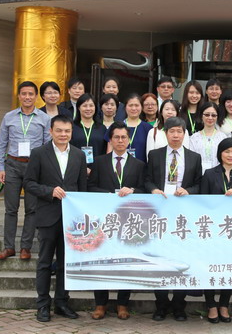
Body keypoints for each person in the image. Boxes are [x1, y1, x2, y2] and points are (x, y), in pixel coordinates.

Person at [23, 115, 88, 322]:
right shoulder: (39, 153)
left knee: (65, 263)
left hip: (70, 220)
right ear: (51, 131)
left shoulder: (78, 155)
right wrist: (49, 191)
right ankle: (43, 304)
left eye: (67, 131)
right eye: (59, 130)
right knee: (44, 262)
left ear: (71, 133)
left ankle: (61, 302)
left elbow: (82, 188)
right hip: (47, 216)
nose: (63, 134)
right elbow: (29, 183)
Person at [144, 117, 203, 322]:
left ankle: (179, 305)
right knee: (159, 258)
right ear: (166, 133)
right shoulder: (155, 155)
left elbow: (199, 184)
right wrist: (153, 189)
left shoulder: (194, 157)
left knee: (182, 258)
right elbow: (147, 179)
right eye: (172, 131)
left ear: (184, 134)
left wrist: (188, 190)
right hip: (159, 213)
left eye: (179, 131)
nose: (176, 135)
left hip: (182, 216)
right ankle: (161, 305)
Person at [87, 122, 146, 321]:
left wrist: (133, 191)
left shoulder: (138, 165)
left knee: (126, 262)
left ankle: (122, 304)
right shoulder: (99, 162)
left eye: (123, 137)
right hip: (104, 221)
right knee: (101, 260)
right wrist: (108, 195)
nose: (120, 141)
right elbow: (90, 187)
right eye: (116, 137)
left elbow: (144, 189)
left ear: (128, 140)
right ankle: (100, 304)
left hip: (128, 222)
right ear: (110, 140)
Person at [0, 81, 51, 260]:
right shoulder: (9, 117)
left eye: (31, 94)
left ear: (36, 96)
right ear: (19, 96)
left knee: (31, 209)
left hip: (33, 167)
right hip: (12, 164)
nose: (27, 97)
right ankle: (8, 247)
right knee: (11, 209)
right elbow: (1, 143)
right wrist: (0, 167)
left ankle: (25, 247)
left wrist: (44, 169)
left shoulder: (44, 118)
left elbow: (47, 145)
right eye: (24, 94)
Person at [200, 138, 232, 324]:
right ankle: (211, 305)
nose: (230, 155)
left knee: (229, 267)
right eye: (227, 151)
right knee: (210, 266)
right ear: (220, 153)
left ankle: (224, 304)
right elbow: (202, 201)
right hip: (212, 228)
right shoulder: (209, 174)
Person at [106, 94, 152, 163]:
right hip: (118, 166)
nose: (133, 108)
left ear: (141, 107)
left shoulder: (148, 128)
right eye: (130, 105)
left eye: (136, 105)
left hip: (141, 167)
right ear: (125, 107)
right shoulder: (115, 126)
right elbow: (109, 150)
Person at [189, 102, 228, 173]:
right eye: (207, 115)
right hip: (198, 175)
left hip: (218, 175)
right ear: (201, 116)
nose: (210, 118)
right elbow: (191, 160)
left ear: (217, 117)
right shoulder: (194, 138)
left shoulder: (223, 137)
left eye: (213, 115)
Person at [70, 94, 106, 168]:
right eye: (85, 106)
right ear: (79, 107)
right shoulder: (71, 127)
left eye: (91, 105)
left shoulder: (102, 128)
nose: (88, 108)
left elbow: (104, 151)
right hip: (75, 168)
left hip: (98, 168)